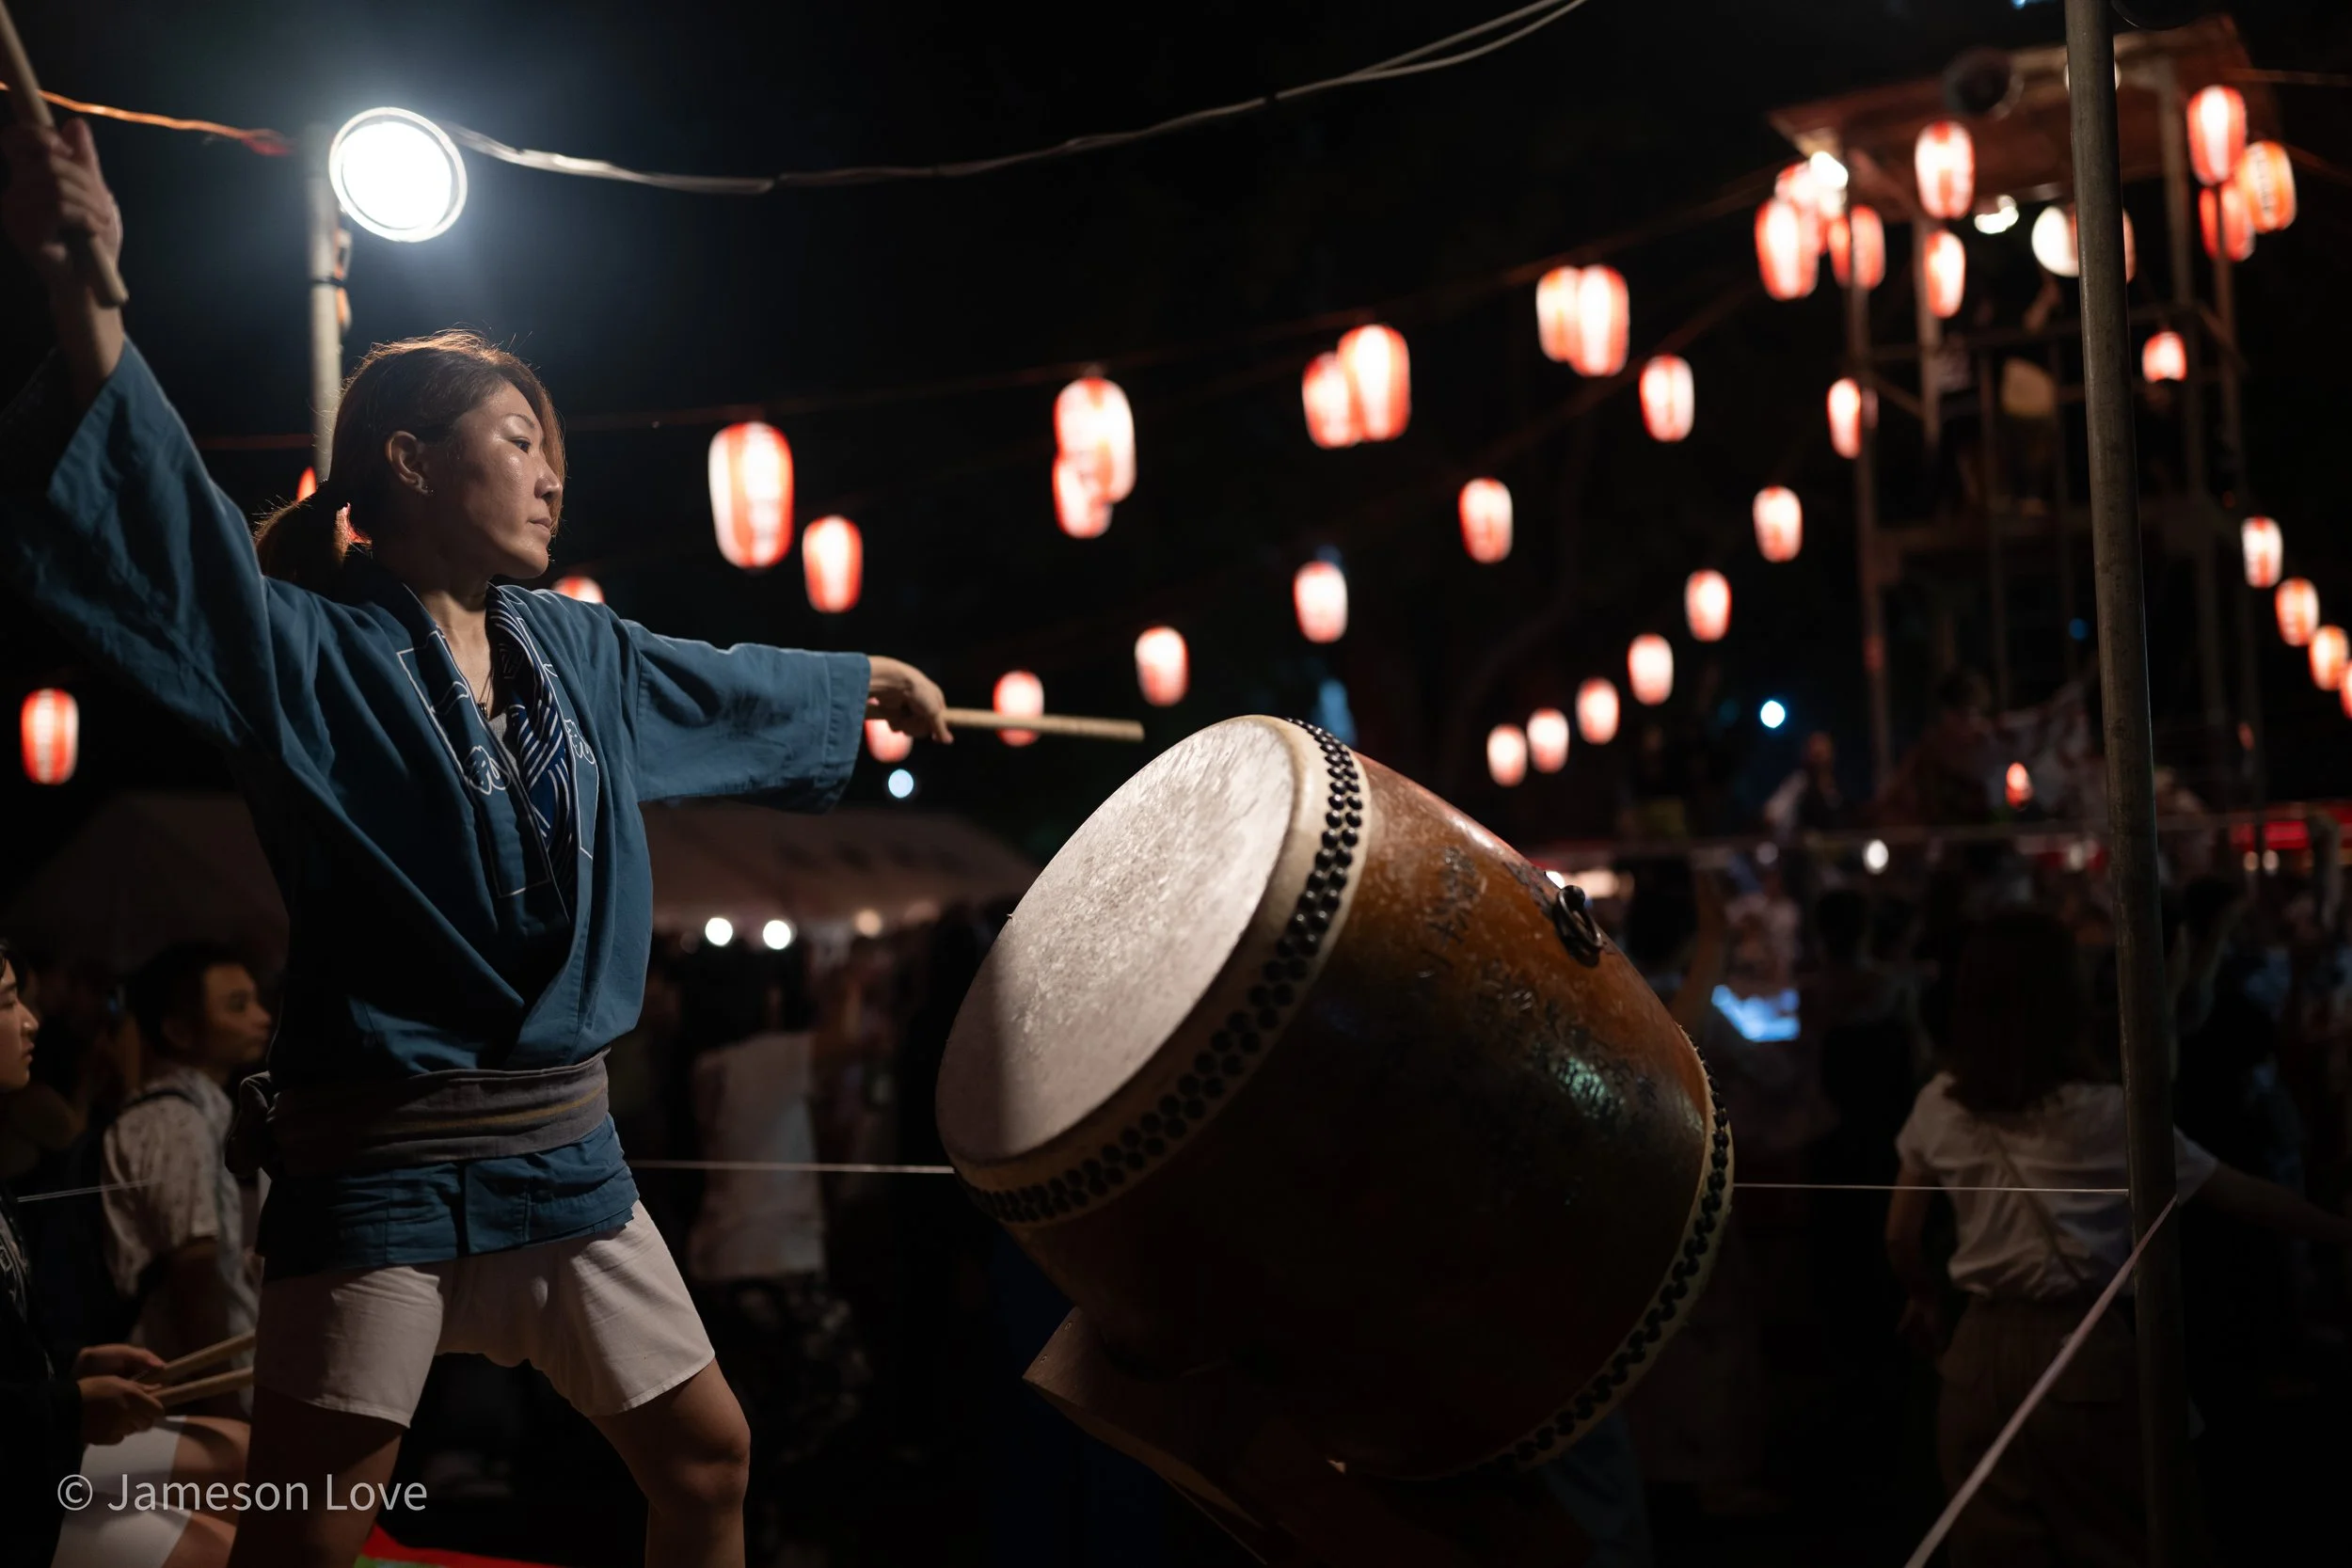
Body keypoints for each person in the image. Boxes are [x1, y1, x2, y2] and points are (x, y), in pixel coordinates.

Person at [0, 119, 951, 1568]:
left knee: (709, 1459)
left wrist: (855, 678)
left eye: (554, 452)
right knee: (312, 1533)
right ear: (411, 463)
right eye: (520, 442)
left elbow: (714, 679)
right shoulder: (305, 653)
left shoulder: (578, 647)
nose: (552, 476)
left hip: (568, 1157)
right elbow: (178, 539)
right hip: (381, 1166)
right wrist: (89, 289)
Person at [1886, 911, 2352, 1568]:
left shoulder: (1939, 1101)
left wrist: (1925, 1299)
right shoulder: (2107, 1115)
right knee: (2126, 1539)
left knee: (1993, 1548)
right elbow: (2239, 1193)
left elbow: (1901, 1232)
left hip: (1977, 1351)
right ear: (2066, 1002)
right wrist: (2339, 1230)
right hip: (2083, 1350)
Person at [3, 940, 252, 1568]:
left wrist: (72, 1363)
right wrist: (70, 1402)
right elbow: (195, 1274)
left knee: (248, 1460)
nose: (32, 1019)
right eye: (8, 1002)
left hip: (36, 1429)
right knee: (226, 1540)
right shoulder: (175, 1121)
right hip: (21, 1466)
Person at [102, 943, 270, 1400]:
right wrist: (223, 1409)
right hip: (172, 1392)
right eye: (238, 1005)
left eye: (256, 1000)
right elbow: (194, 1277)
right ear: (178, 1029)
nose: (262, 1016)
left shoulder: (201, 1112)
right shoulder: (176, 1122)